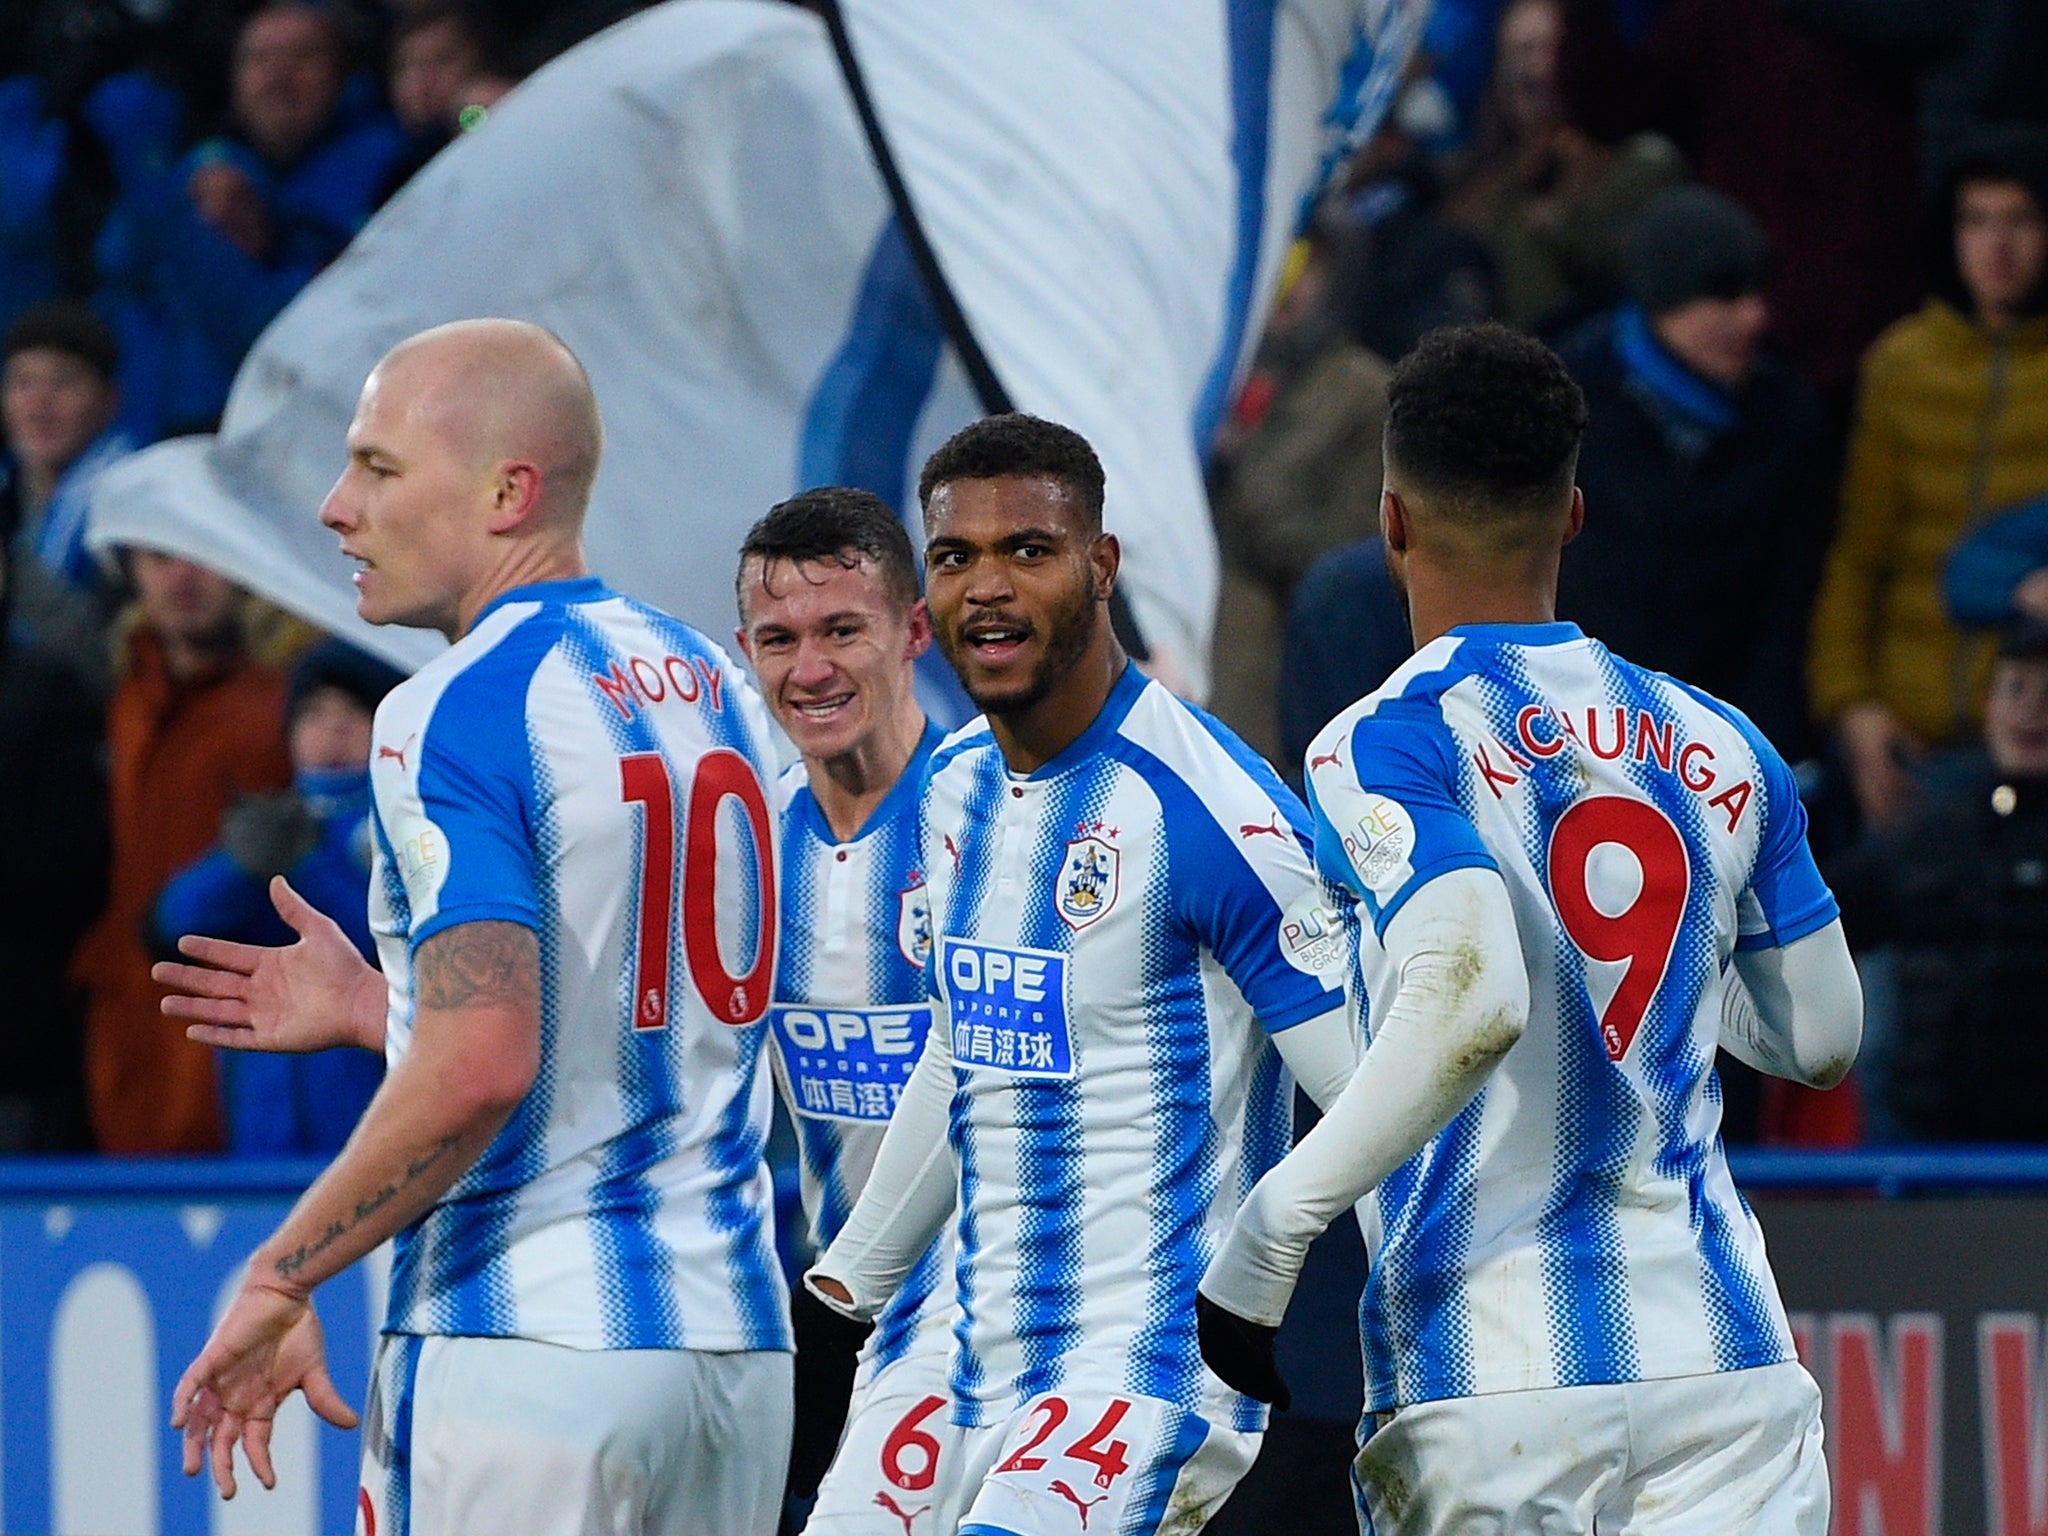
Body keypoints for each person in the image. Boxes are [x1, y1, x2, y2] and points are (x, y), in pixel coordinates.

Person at [1196, 324, 1863, 1534]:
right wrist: (1657, 979)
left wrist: (1274, 1222)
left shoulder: (1383, 741)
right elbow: (1820, 1036)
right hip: (1726, 1361)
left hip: (1487, 1367)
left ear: (1389, 520)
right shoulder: (1721, 741)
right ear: (1571, 516)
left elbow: (1474, 993)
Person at [152, 319, 790, 1535]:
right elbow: (647, 1005)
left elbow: (483, 1065)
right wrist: (385, 1010)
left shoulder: (449, 710)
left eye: (379, 468)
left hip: (526, 1347)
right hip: (735, 1356)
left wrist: (285, 1273)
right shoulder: (713, 683)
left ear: (508, 492)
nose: (339, 508)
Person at [803, 413, 1360, 1536]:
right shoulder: (953, 787)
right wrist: (849, 1281)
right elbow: (966, 1047)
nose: (988, 588)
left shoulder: (1211, 815)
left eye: (1029, 550)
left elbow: (1368, 1094)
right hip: (945, 1350)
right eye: (957, 557)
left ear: (1098, 566)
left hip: (1137, 1360)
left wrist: (1272, 1273)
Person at [728, 487, 959, 1531]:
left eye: (839, 631)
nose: (807, 669)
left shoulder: (1000, 813)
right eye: (777, 638)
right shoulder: (744, 847)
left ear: (913, 631)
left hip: (1019, 1322)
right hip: (846, 1334)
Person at [1808, 132, 2048, 829]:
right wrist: (1852, 706)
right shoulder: (1901, 364)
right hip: (1907, 741)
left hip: (2025, 736)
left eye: (2021, 219)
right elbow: (1858, 556)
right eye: (1976, 221)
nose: (1996, 245)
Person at [1553, 186, 1833, 759]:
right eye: (1724, 295)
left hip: (1724, 745)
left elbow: (1787, 610)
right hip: (1575, 730)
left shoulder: (1788, 420)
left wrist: (1766, 755)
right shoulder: (1563, 406)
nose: (1753, 316)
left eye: (1758, 292)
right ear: (1662, 300)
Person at [94, 1, 405, 438]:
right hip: (152, 444)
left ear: (345, 77)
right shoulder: (208, 170)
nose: (278, 76)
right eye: (259, 59)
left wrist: (161, 193)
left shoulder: (389, 173)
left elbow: (272, 331)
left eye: (303, 57)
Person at [72, 545, 291, 1152]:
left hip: (236, 1015)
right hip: (121, 1018)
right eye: (159, 557)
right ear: (132, 573)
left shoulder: (289, 704)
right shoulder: (113, 696)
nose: (182, 576)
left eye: (205, 553)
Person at [152, 638, 400, 1155]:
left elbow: (381, 946)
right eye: (313, 714)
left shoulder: (404, 829)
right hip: (260, 1116)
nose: (332, 729)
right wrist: (238, 864)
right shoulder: (271, 822)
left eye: (354, 713)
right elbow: (172, 924)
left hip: (370, 1113)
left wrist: (304, 865)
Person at [1828, 621, 2048, 1142]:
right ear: (1986, 704)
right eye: (2015, 689)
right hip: (1931, 1165)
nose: (2030, 713)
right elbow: (1818, 920)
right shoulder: (1933, 833)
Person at [0, 301, 130, 688]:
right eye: (23, 383)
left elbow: (108, 658)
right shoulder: (10, 492)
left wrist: (10, 561)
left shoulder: (132, 513)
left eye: (63, 383)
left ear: (110, 401)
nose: (38, 405)